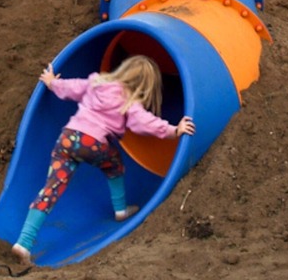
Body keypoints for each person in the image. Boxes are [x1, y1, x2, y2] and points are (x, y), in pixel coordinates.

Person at [12, 55, 195, 264]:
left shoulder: (97, 82)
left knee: (51, 188)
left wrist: (52, 82)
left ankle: (24, 243)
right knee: (114, 165)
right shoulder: (131, 101)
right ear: (146, 86)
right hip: (93, 143)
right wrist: (174, 130)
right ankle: (120, 209)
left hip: (67, 138)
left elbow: (72, 88)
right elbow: (146, 124)